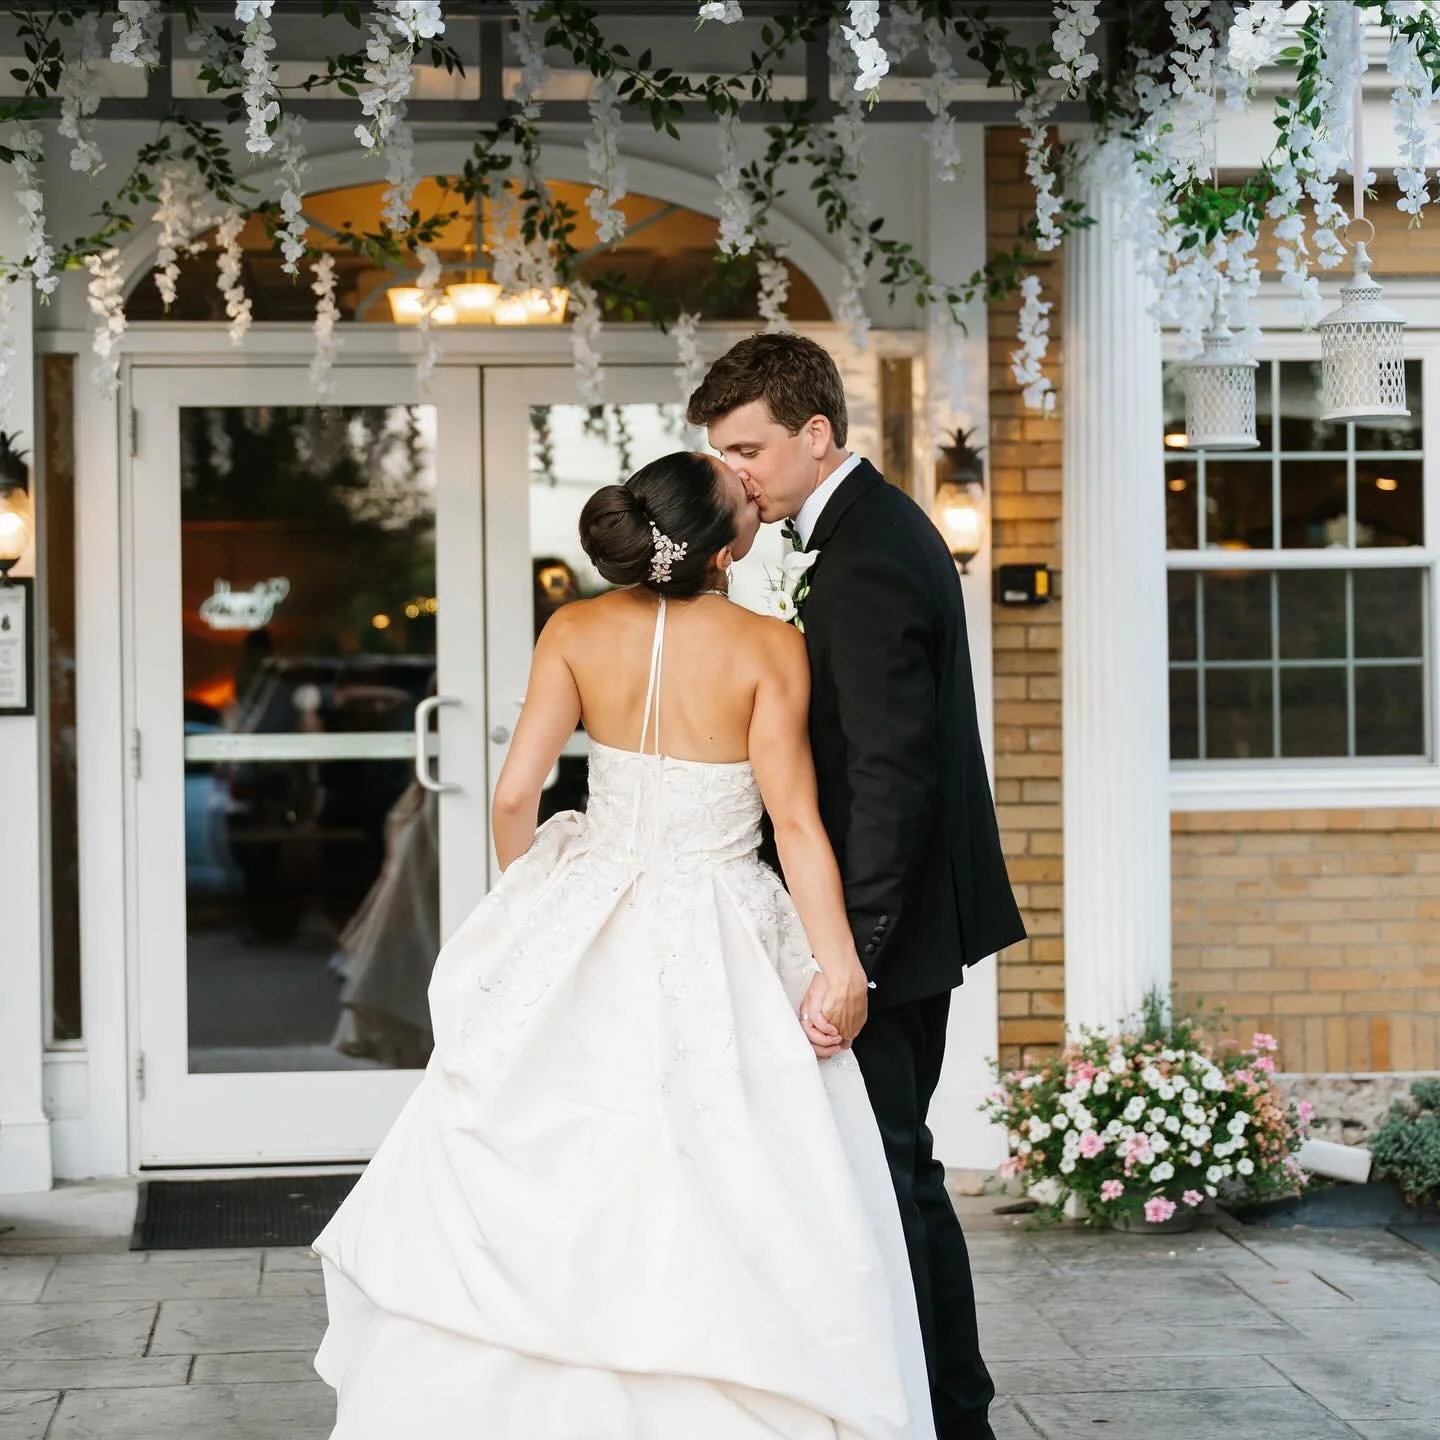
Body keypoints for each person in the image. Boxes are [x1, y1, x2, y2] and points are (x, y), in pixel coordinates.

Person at [312, 450, 937, 1439]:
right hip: (722, 917)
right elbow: (801, 826)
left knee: (565, 1150)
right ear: (723, 547)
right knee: (732, 1161)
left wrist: (536, 902)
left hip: (591, 898)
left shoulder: (573, 629)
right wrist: (839, 965)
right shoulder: (769, 647)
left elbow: (517, 794)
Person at [687, 333, 1026, 1440]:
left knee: (894, 1177)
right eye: (721, 452)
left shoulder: (871, 555)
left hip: (890, 929)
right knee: (882, 1173)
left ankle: (952, 1413)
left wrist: (852, 958)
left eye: (749, 448)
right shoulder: (852, 535)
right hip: (888, 921)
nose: (734, 472)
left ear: (816, 433)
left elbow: (890, 775)